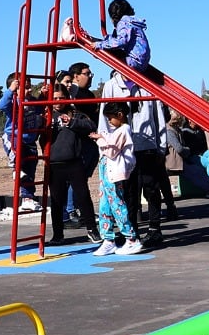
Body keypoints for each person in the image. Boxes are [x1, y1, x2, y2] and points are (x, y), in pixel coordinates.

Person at [45, 98, 97, 245]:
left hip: (74, 162)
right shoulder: (47, 114)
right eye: (54, 98)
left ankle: (92, 230)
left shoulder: (75, 114)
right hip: (54, 163)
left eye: (61, 98)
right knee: (56, 201)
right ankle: (57, 234)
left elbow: (91, 125)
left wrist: (73, 122)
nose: (57, 101)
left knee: (83, 196)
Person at [93, 104, 143, 256]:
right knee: (105, 206)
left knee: (117, 205)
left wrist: (100, 140)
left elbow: (111, 151)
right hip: (106, 171)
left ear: (120, 115)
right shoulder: (118, 130)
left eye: (110, 118)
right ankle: (108, 239)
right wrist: (103, 137)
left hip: (114, 172)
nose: (109, 121)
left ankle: (131, 239)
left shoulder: (124, 129)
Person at [127, 99, 177, 247]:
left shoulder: (147, 89)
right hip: (127, 147)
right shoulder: (113, 86)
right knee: (131, 191)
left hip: (148, 147)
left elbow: (159, 118)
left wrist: (161, 147)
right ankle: (132, 231)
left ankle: (155, 228)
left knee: (152, 189)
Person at [0, 72, 41, 211]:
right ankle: (15, 167)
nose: (29, 90)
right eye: (25, 87)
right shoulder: (14, 101)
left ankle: (27, 199)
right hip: (13, 137)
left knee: (29, 172)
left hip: (30, 141)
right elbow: (2, 105)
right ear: (16, 88)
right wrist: (10, 91)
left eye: (30, 87)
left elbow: (42, 107)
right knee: (17, 150)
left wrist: (44, 95)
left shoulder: (32, 101)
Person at [92, 0, 153, 94]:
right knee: (109, 47)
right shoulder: (132, 22)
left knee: (108, 52)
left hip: (133, 61)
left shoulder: (123, 23)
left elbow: (121, 41)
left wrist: (100, 44)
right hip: (143, 61)